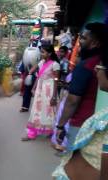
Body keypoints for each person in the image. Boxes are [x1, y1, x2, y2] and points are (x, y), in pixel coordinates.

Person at [52, 27, 108, 179]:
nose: (78, 43)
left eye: (83, 38)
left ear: (95, 42)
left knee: (76, 166)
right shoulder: (97, 63)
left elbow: (72, 100)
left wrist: (60, 125)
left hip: (82, 125)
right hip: (97, 125)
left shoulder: (87, 66)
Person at [21, 44, 60, 141]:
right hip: (40, 89)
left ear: (50, 53)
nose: (41, 54)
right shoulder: (42, 62)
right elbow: (39, 76)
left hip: (49, 90)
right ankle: (32, 133)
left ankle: (52, 132)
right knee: (36, 111)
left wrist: (54, 96)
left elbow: (56, 80)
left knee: (49, 111)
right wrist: (33, 88)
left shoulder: (55, 64)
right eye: (41, 52)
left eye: (43, 52)